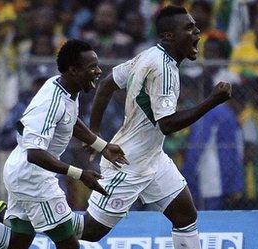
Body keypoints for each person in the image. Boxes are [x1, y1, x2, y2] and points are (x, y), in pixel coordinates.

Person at [0, 39, 128, 249]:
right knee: (70, 244)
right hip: (33, 177)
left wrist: (102, 146)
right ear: (73, 70)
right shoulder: (51, 102)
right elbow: (35, 154)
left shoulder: (62, 87)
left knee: (17, 242)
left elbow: (70, 120)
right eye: (92, 67)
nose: (98, 71)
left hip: (23, 171)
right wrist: (80, 174)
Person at [72, 6, 232, 249]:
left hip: (152, 159)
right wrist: (212, 101)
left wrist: (94, 134)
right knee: (90, 231)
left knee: (185, 216)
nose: (197, 33)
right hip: (128, 163)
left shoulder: (149, 55)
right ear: (169, 36)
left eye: (195, 27)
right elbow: (167, 124)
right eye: (189, 28)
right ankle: (27, 218)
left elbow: (107, 83)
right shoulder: (163, 69)